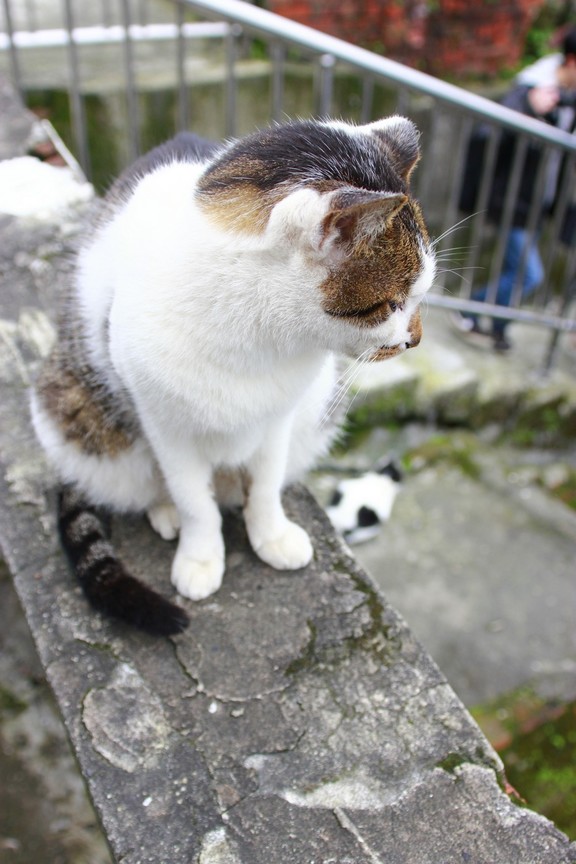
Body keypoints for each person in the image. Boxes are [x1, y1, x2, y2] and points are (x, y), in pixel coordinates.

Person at [454, 27, 576, 351]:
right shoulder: (530, 88)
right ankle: (473, 310)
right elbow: (491, 132)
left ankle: (491, 323)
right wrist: (530, 108)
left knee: (517, 270)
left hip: (539, 205)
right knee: (529, 274)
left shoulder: (567, 99)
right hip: (511, 202)